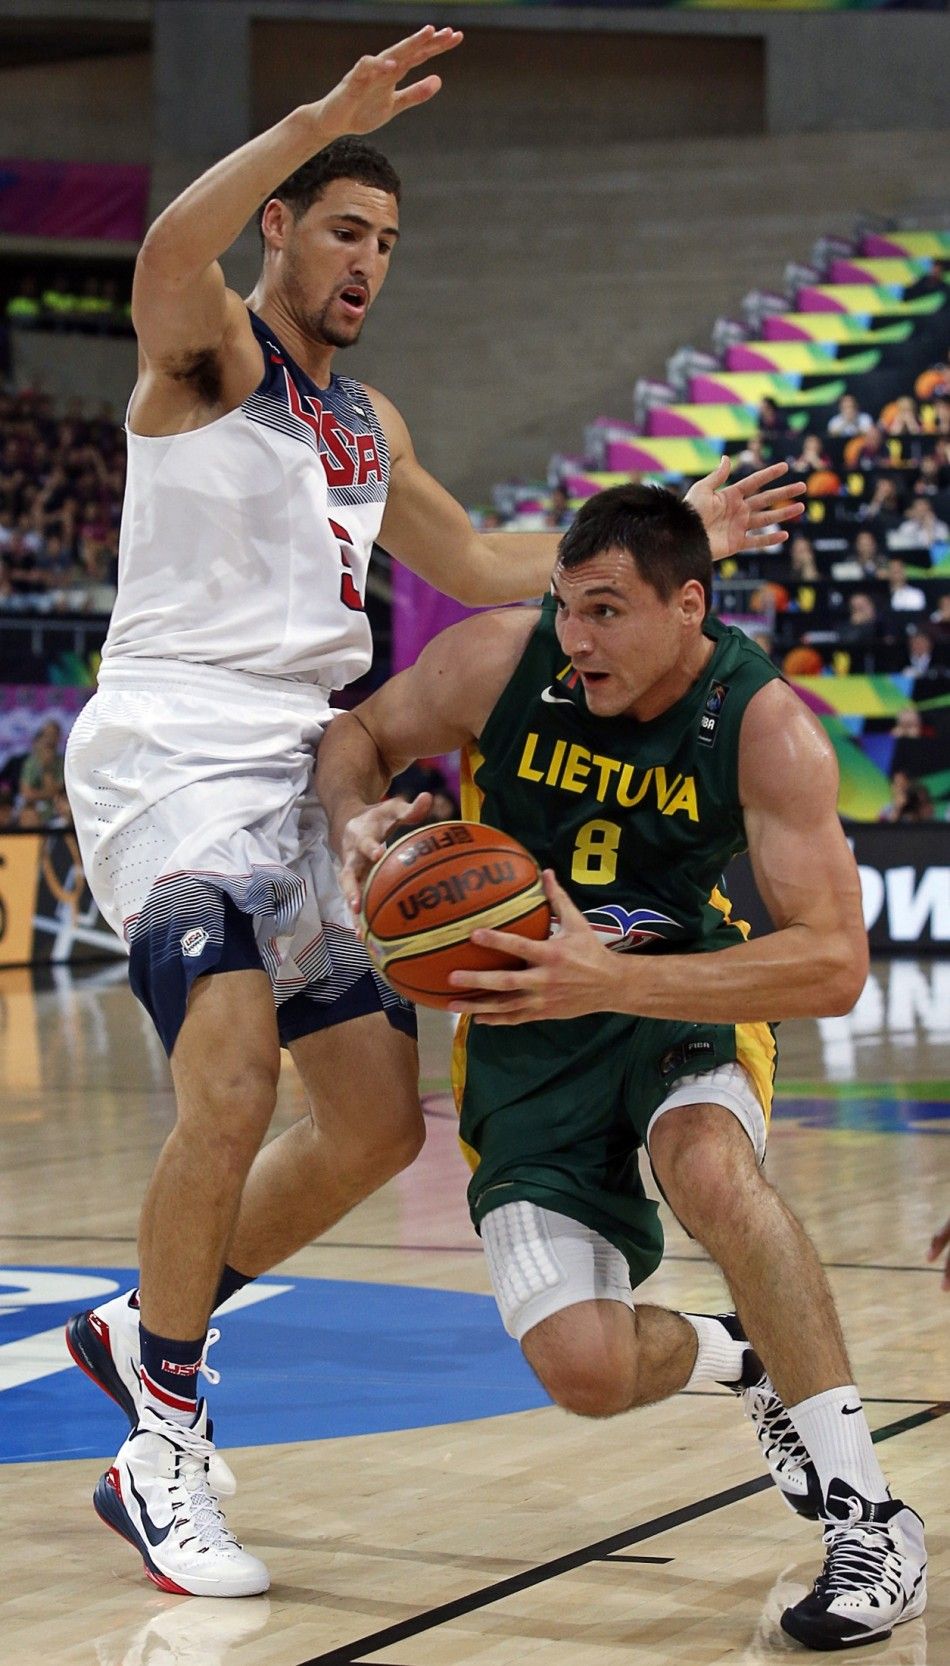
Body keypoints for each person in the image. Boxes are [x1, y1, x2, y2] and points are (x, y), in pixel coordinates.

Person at [61, 29, 806, 1601]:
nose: (367, 264)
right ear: (281, 224)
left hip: (313, 765)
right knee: (233, 1067)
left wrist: (678, 524)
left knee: (371, 1122)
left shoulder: (366, 424)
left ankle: (142, 1324)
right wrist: (313, 124)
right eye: (344, 227)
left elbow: (475, 565)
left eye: (387, 243)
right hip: (176, 751)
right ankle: (162, 1440)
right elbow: (163, 246)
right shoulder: (208, 358)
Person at [318, 483, 926, 1654]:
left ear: (684, 604)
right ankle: (749, 1357)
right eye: (565, 605)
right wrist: (354, 813)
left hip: (670, 991)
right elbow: (357, 733)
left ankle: (869, 1520)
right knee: (584, 1370)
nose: (576, 636)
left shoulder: (761, 723)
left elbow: (835, 962)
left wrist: (617, 981)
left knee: (709, 1167)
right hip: (517, 1036)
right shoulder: (497, 661)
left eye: (605, 610)